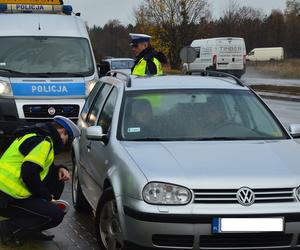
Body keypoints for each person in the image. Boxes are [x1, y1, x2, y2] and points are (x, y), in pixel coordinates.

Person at [0, 115, 80, 245]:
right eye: (67, 139)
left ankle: (32, 228)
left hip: (9, 191)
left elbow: (40, 166)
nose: (65, 143)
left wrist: (60, 168)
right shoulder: (44, 142)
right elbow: (29, 173)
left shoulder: (33, 135)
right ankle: (7, 228)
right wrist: (48, 198)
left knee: (56, 178)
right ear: (62, 132)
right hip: (7, 196)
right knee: (55, 215)